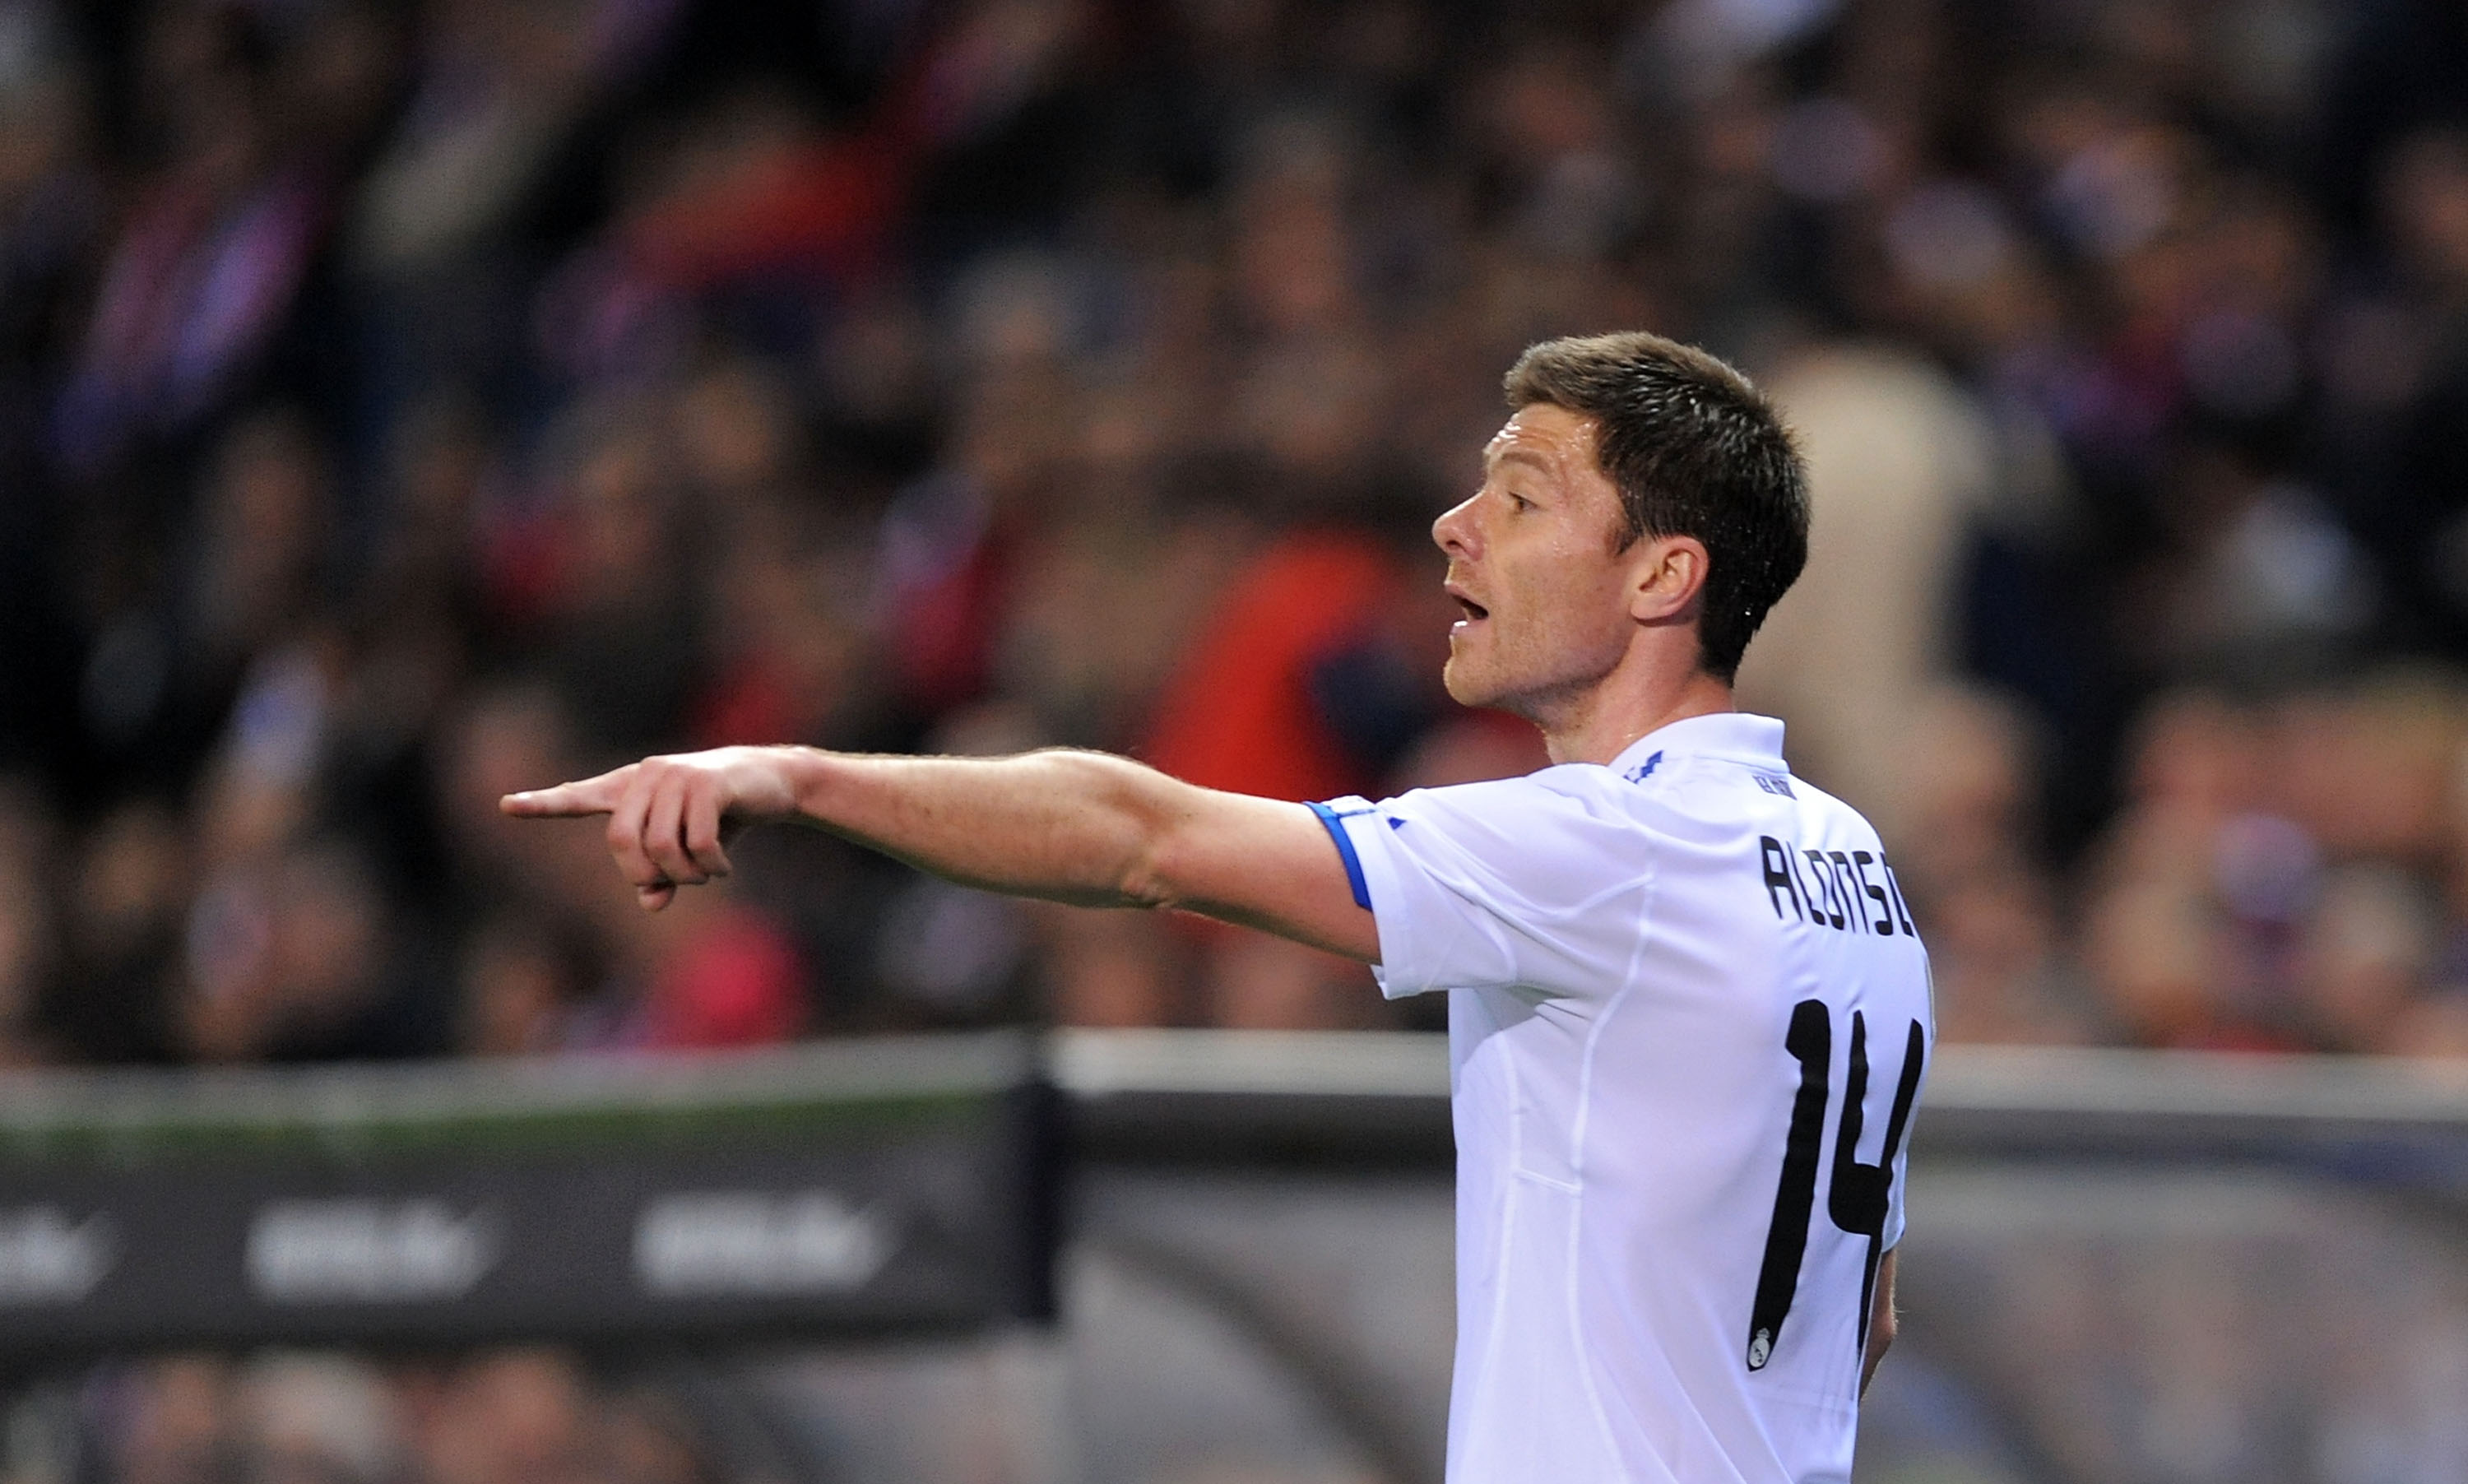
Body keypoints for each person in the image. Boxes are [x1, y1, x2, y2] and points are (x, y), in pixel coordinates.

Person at [504, 331, 1935, 1482]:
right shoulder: (1853, 870)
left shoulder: (1608, 849)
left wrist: (797, 775)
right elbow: (1862, 1313)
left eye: (1520, 498)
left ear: (1665, 575)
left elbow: (1145, 840)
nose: (1454, 530)